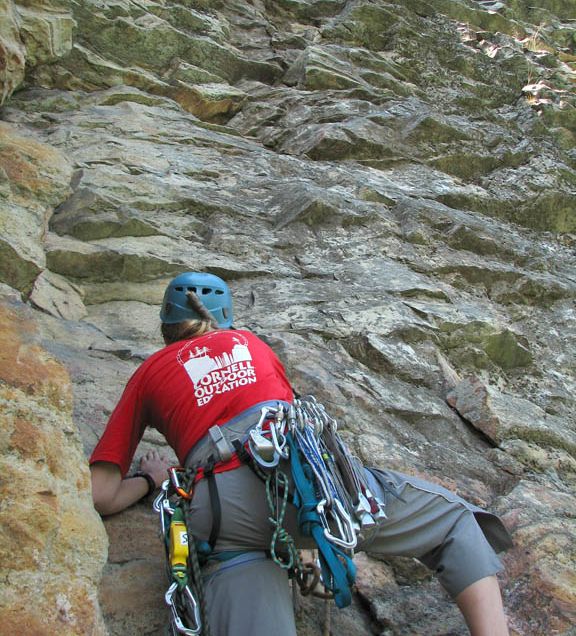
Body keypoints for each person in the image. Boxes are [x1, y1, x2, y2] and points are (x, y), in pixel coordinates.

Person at [90, 272, 513, 636]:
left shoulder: (147, 374)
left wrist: (152, 478)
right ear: (223, 320)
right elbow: (289, 443)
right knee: (454, 521)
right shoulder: (252, 344)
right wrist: (308, 540)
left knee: (241, 569)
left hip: (217, 515)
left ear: (166, 328)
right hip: (304, 490)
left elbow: (101, 495)